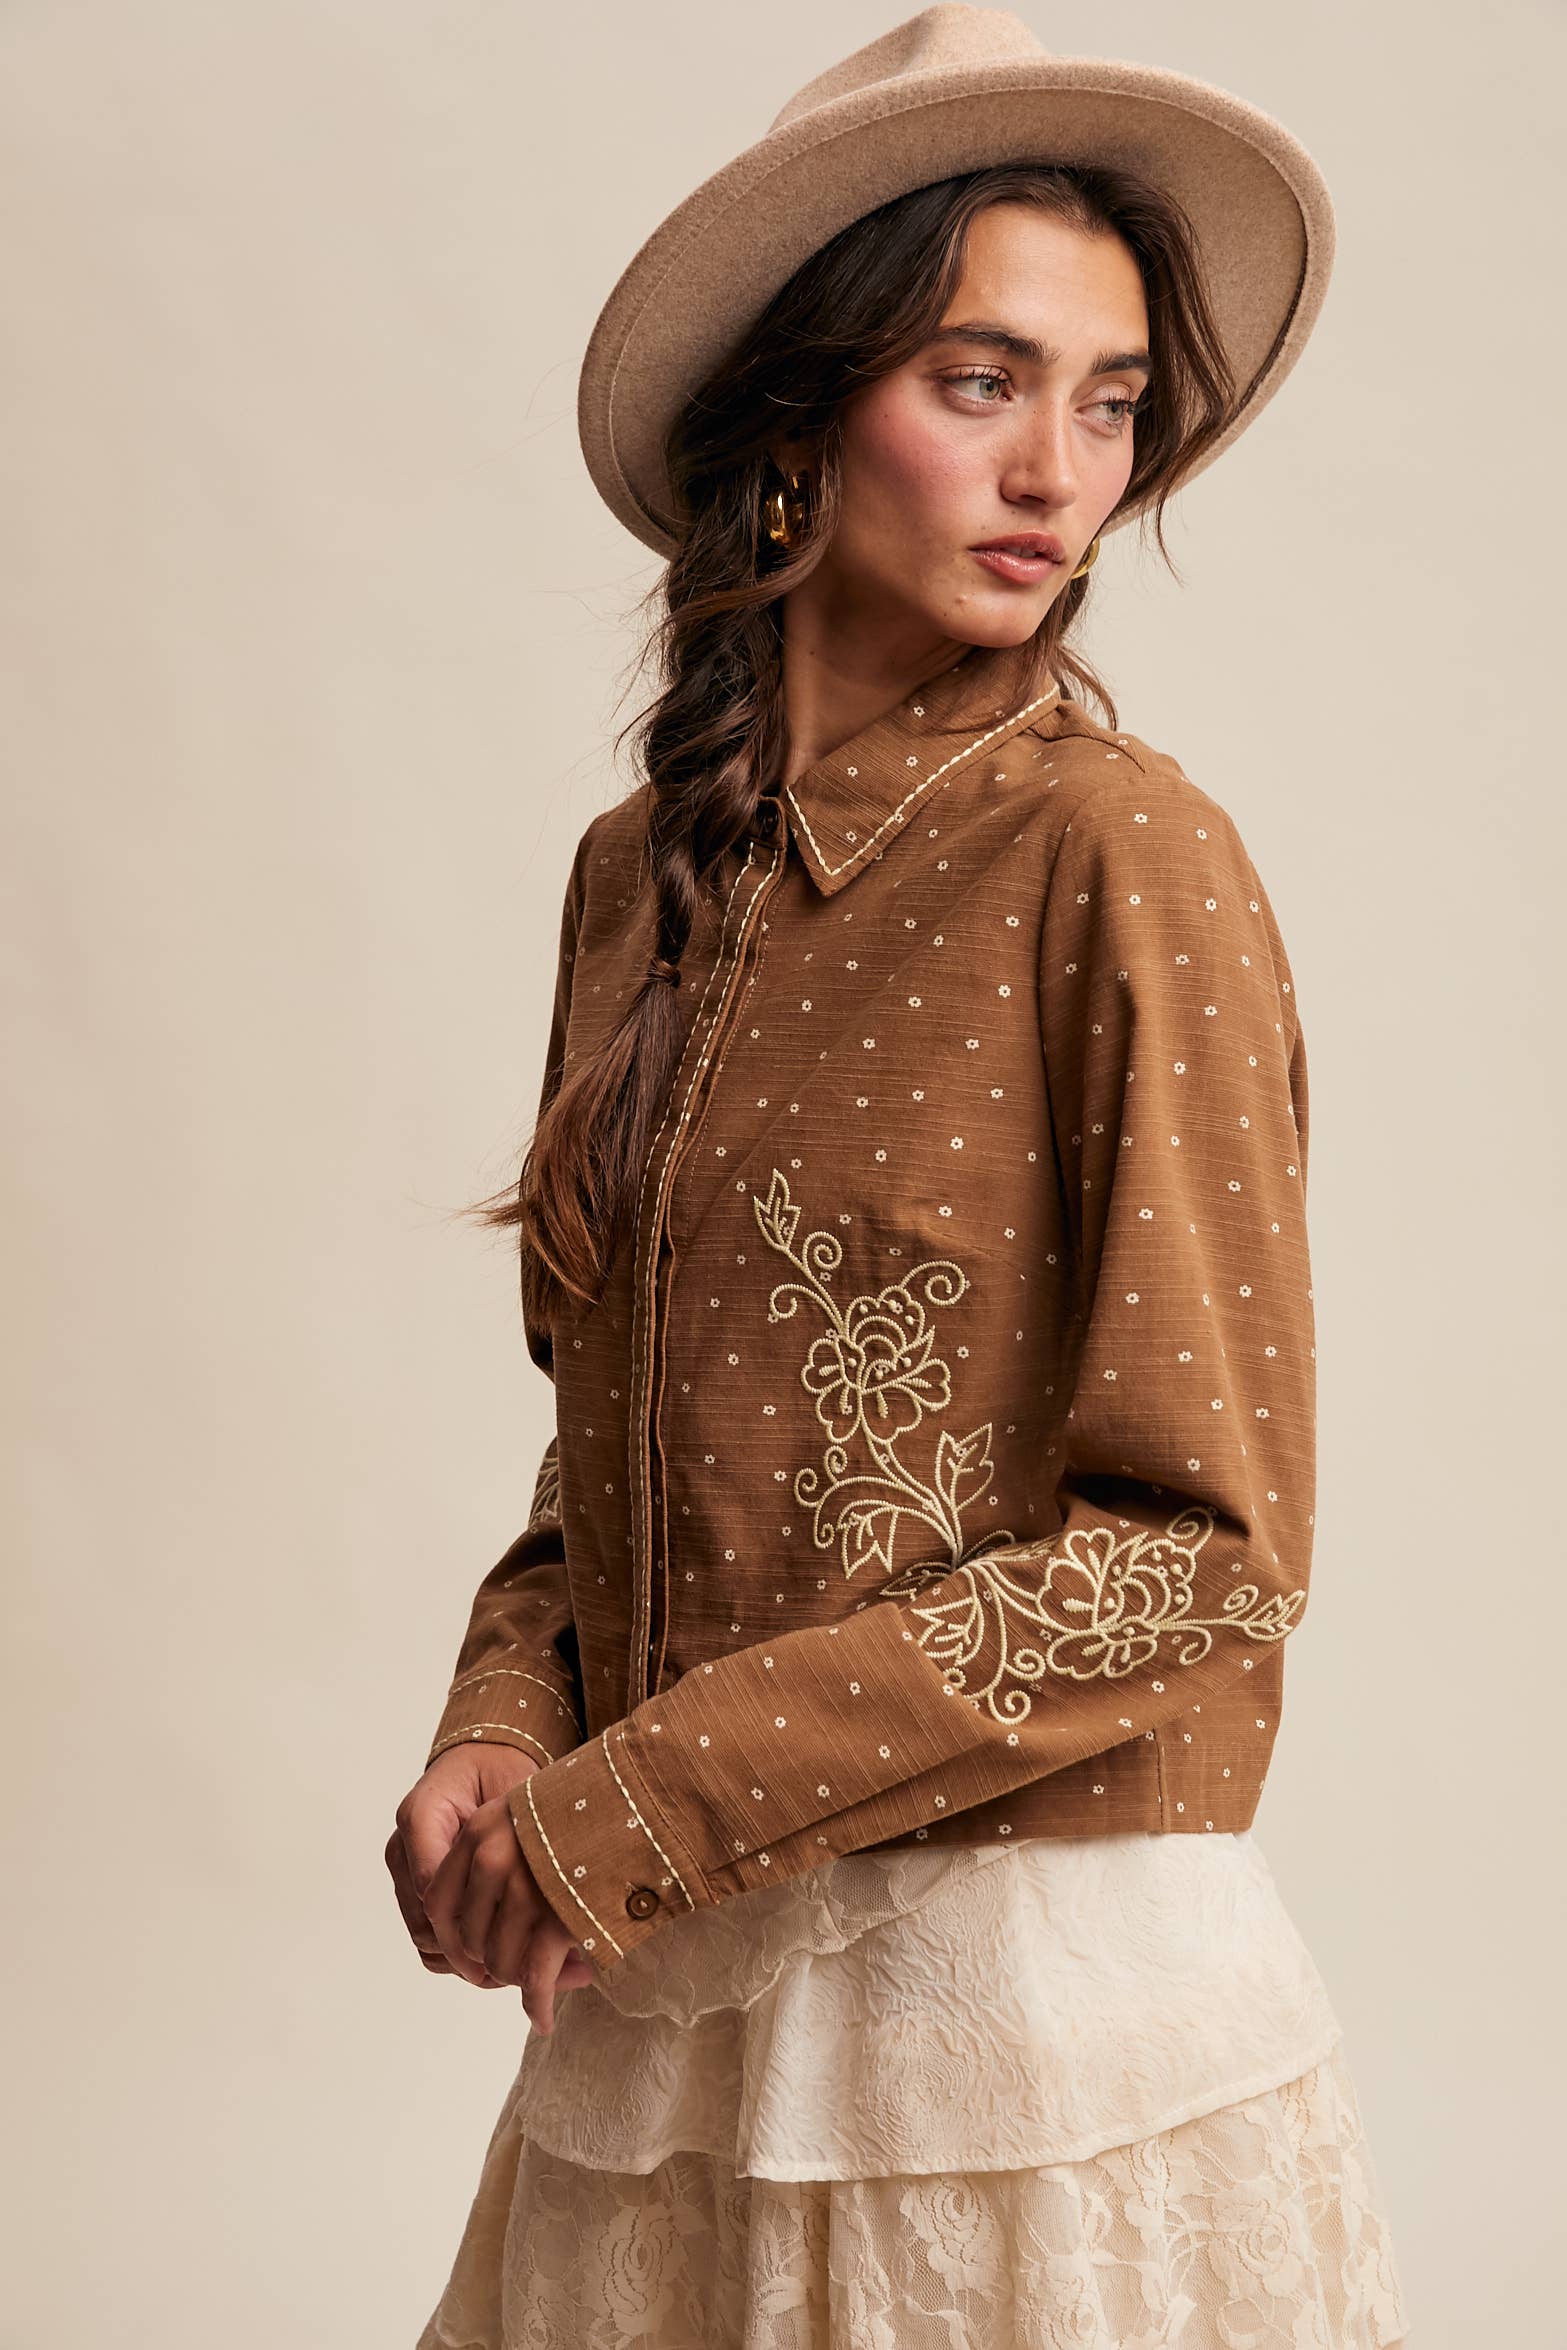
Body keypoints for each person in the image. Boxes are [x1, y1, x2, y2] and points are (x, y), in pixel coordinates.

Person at [389, 8, 1412, 2342]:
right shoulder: (638, 876)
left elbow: (1203, 1552)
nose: (1060, 468)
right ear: (794, 412)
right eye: (978, 381)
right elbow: (616, 1457)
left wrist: (637, 1802)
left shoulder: (1117, 851)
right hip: (673, 2016)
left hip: (1019, 2033)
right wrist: (502, 1720)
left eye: (1110, 400)